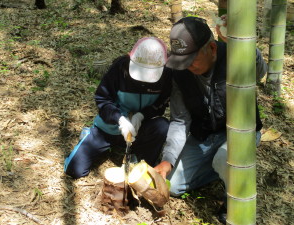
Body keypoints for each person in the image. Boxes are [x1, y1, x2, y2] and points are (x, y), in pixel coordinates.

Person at [154, 17, 267, 224]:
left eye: (191, 60)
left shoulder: (233, 54)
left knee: (222, 159)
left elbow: (260, 72)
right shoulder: (179, 72)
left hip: (240, 133)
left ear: (212, 48)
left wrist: (244, 46)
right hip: (206, 135)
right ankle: (222, 169)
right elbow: (180, 120)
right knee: (174, 185)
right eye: (181, 60)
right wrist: (167, 159)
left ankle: (231, 186)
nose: (186, 66)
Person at [64, 37, 172, 179]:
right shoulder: (120, 68)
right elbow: (102, 100)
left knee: (162, 126)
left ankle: (141, 158)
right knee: (75, 169)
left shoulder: (167, 75)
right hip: (108, 129)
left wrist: (141, 115)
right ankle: (89, 136)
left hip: (139, 130)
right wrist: (119, 119)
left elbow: (160, 105)